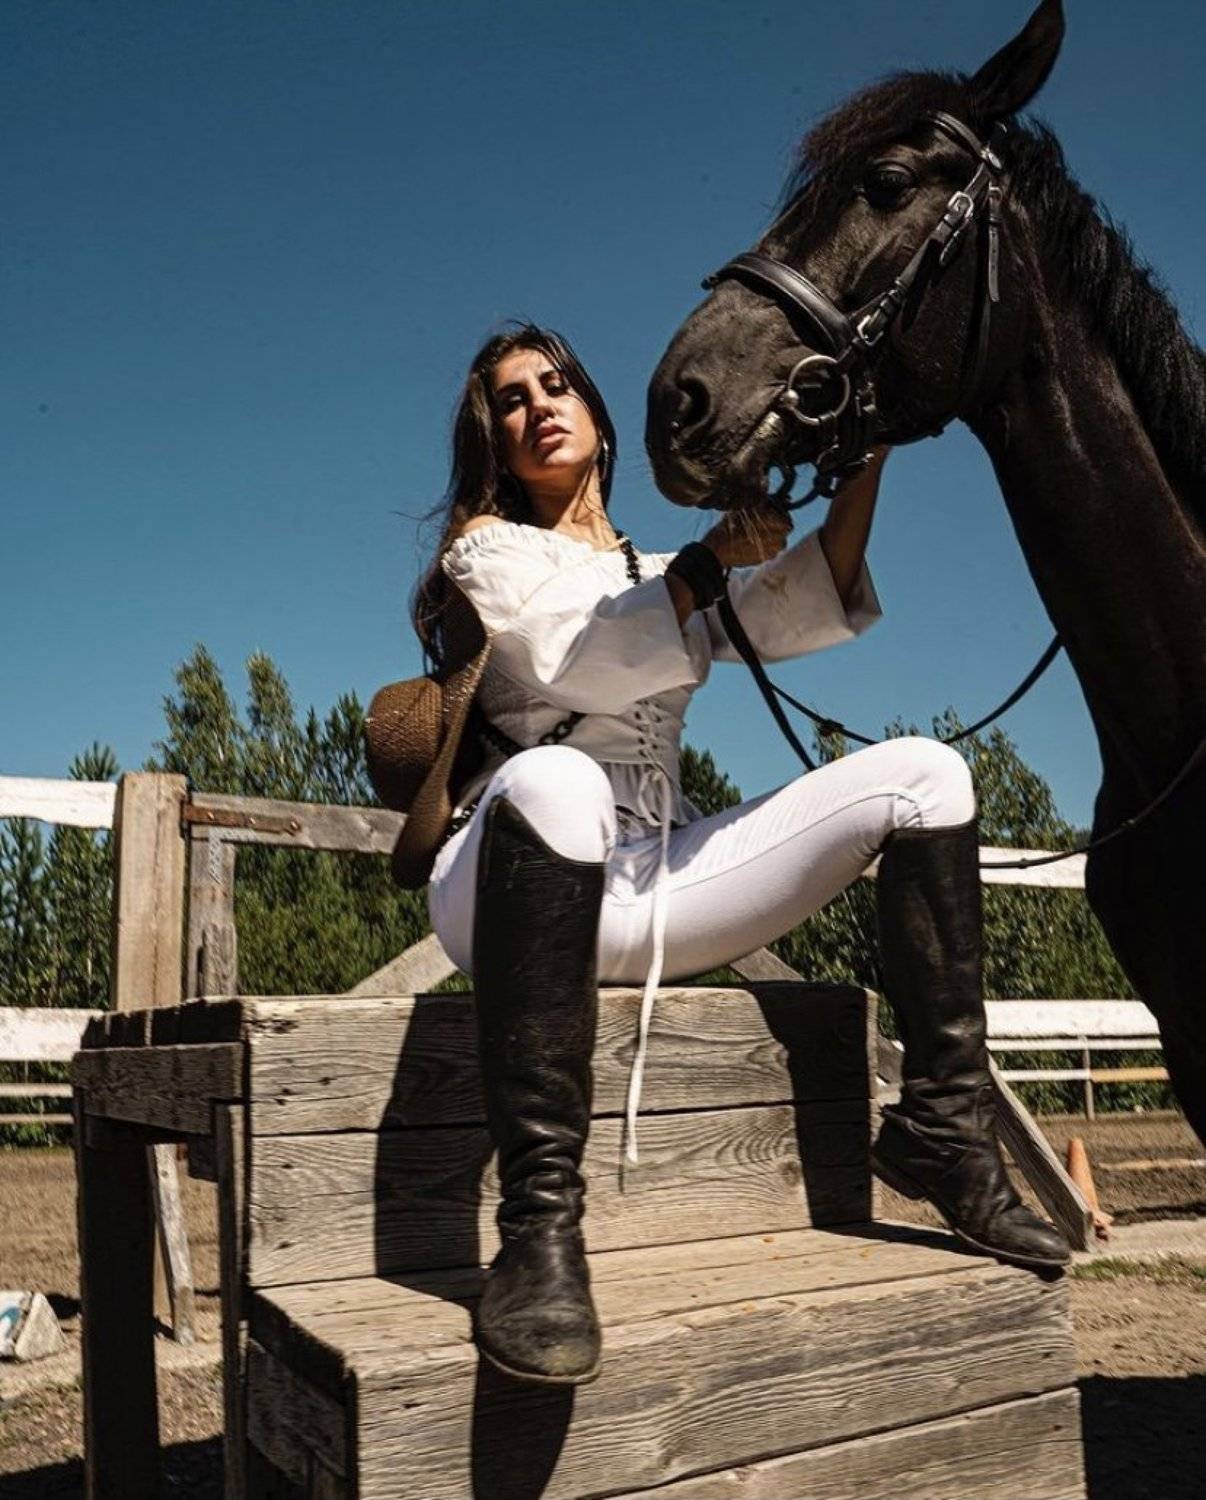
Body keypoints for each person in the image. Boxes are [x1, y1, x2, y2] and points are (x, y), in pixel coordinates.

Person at [411, 323, 1070, 1388]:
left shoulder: (657, 570)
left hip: (646, 881)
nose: (538, 406)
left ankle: (945, 1132)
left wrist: (869, 454)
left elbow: (803, 601)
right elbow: (573, 660)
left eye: (556, 384)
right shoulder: (486, 551)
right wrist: (711, 560)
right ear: (493, 437)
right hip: (504, 881)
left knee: (928, 773)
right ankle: (538, 1231)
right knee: (560, 779)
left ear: (595, 416)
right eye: (511, 398)